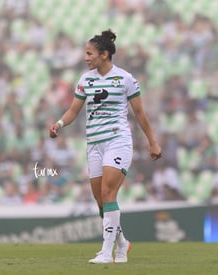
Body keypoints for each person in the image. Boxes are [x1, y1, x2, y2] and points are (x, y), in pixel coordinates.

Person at [49, 29, 162, 264]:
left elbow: (140, 113)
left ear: (104, 54)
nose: (85, 57)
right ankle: (122, 244)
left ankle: (105, 252)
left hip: (117, 141)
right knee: (101, 201)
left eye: (89, 53)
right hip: (94, 145)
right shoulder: (85, 80)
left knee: (109, 193)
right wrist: (59, 124)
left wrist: (152, 141)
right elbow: (73, 111)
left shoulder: (125, 79)